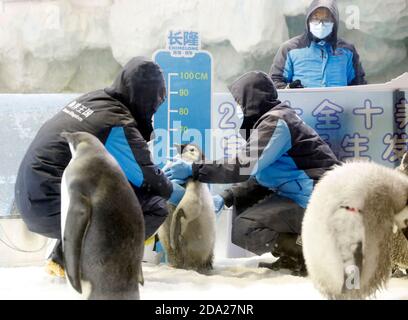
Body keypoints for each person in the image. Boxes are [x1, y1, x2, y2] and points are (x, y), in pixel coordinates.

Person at [14, 57, 184, 275]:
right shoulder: (117, 121)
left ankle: (63, 258)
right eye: (154, 102)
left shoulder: (94, 99)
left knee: (107, 186)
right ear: (145, 98)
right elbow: (145, 177)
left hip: (33, 198)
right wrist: (174, 190)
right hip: (52, 206)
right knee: (155, 205)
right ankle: (107, 268)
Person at [165, 71, 341, 275]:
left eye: (240, 104)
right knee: (243, 220)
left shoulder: (277, 122)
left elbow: (243, 167)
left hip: (322, 199)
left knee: (245, 228)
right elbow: (260, 178)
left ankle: (308, 256)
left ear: (252, 99)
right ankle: (295, 255)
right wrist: (225, 197)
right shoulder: (269, 122)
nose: (239, 110)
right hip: (306, 196)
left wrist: (194, 168)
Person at [270, 0, 366, 89]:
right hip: (301, 107)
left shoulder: (347, 51)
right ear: (308, 20)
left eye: (326, 19)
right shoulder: (289, 49)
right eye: (315, 18)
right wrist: (289, 89)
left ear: (335, 22)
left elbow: (359, 85)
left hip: (341, 106)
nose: (321, 24)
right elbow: (274, 82)